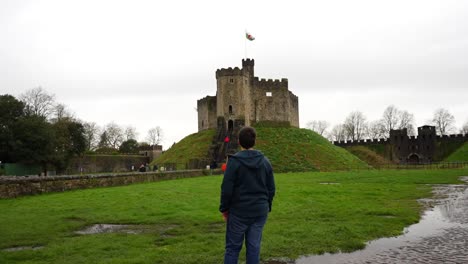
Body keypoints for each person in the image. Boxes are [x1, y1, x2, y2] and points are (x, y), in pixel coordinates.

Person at [219, 126, 275, 264]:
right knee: (254, 248)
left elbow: (226, 189)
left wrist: (224, 209)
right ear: (254, 141)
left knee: (232, 248)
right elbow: (271, 189)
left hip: (238, 212)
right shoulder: (265, 162)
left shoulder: (234, 162)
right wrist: (267, 205)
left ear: (238, 142)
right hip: (259, 211)